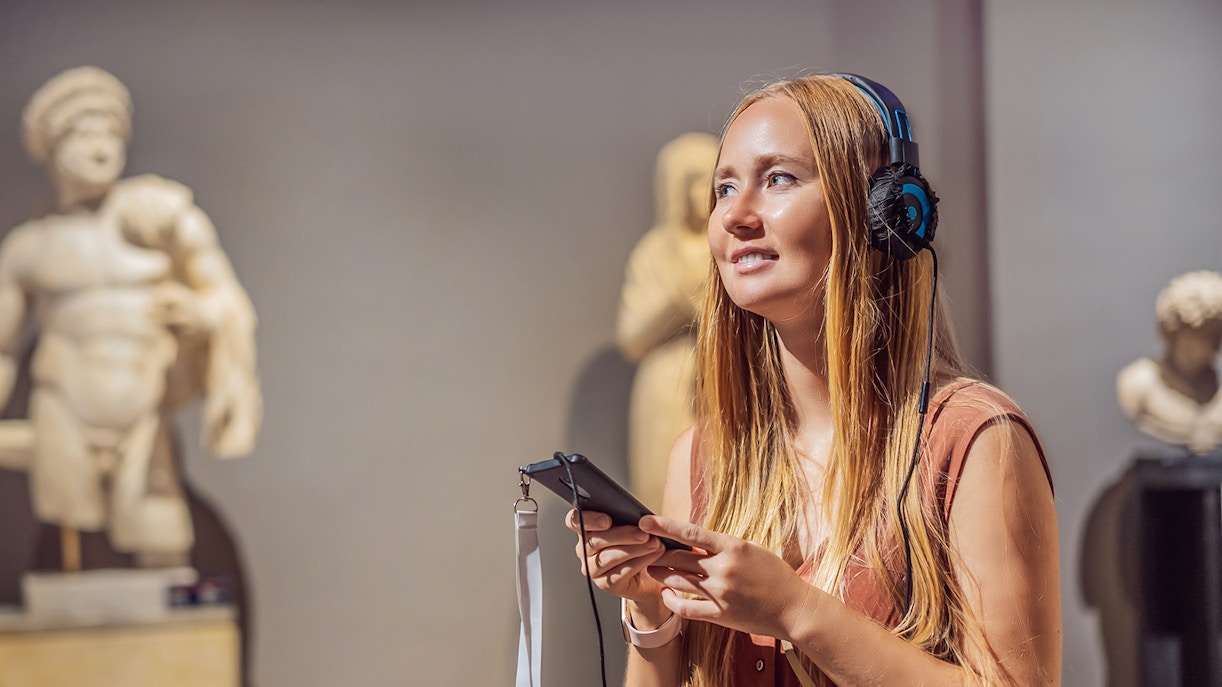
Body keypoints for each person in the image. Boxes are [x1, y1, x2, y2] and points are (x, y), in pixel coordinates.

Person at [567, 74, 1060, 686]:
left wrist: (795, 611)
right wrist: (648, 606)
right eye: (724, 188)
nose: (734, 215)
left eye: (778, 179)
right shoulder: (701, 456)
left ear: (885, 213)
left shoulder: (975, 441)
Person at [0, 66, 261, 568]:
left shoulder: (158, 216)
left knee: (161, 543)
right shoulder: (30, 248)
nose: (100, 147)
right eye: (83, 132)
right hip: (65, 407)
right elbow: (4, 347)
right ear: (54, 148)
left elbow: (226, 297)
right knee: (69, 546)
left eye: (110, 132)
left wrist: (202, 311)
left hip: (142, 410)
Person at [617, 132, 719, 511]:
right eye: (693, 182)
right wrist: (679, 303)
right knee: (665, 494)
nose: (702, 192)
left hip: (718, 374)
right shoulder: (656, 253)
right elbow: (631, 337)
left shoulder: (728, 246)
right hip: (667, 382)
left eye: (713, 181)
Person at [1117, 270, 1222, 455]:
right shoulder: (1139, 385)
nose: (1196, 350)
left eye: (1205, 339)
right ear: (1172, 333)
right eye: (1188, 338)